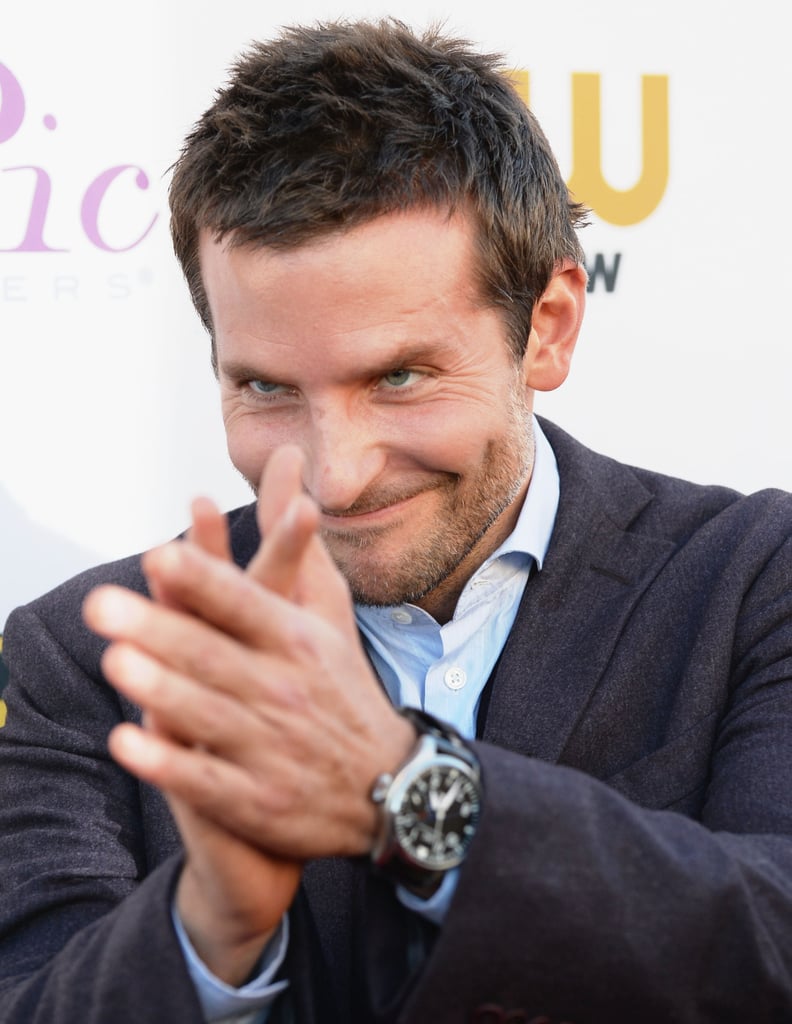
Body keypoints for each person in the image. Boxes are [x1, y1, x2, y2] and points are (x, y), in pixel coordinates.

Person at [1, 17, 791, 1024]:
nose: (334, 476)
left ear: (546, 327)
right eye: (266, 388)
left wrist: (408, 790)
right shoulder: (90, 653)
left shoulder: (753, 577)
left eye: (401, 376)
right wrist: (209, 929)